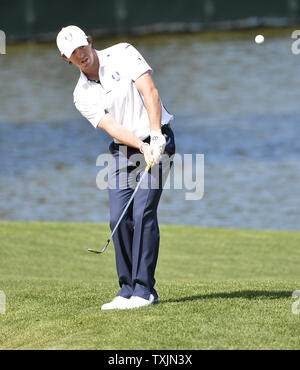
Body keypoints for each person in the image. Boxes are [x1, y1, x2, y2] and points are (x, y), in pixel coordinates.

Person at [56, 25, 175, 310]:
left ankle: (145, 291)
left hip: (158, 139)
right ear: (67, 59)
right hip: (125, 150)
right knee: (118, 217)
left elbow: (150, 93)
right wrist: (140, 146)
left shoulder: (122, 52)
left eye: (82, 47)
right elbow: (112, 127)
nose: (81, 54)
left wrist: (155, 136)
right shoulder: (80, 94)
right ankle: (127, 290)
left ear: (89, 41)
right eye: (73, 53)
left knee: (143, 211)